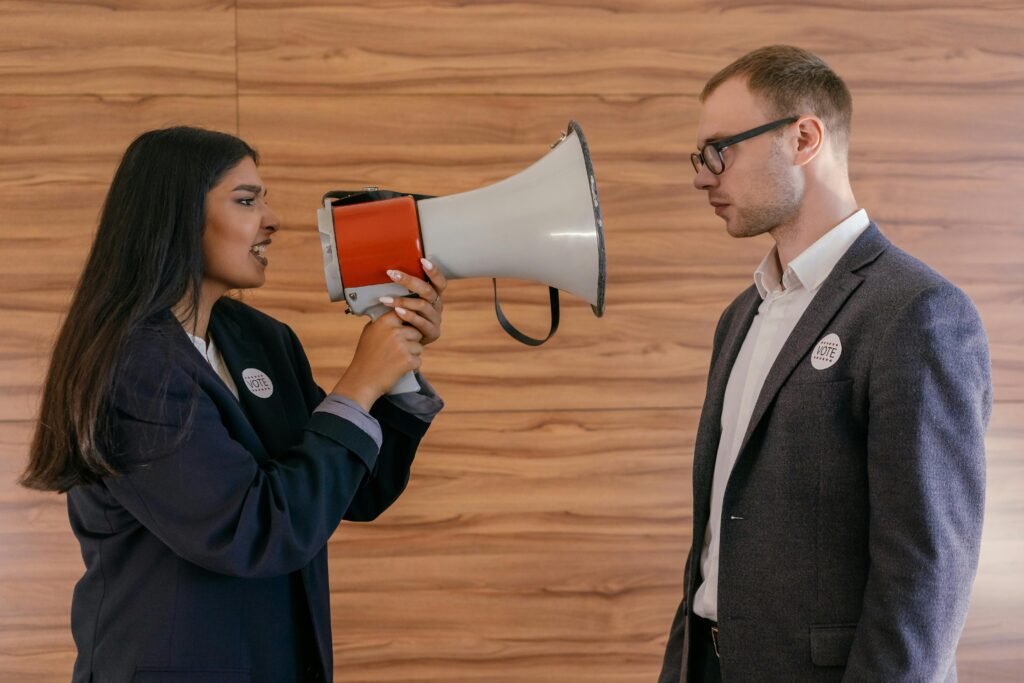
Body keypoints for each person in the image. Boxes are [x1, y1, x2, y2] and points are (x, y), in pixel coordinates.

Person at [20, 126, 447, 682]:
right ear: (175, 216)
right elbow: (253, 531)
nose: (273, 219)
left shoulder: (263, 340)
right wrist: (358, 385)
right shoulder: (132, 367)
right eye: (247, 201)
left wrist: (395, 370)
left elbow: (354, 490)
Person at [658, 46, 991, 682]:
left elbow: (928, 575)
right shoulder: (741, 315)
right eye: (700, 158)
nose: (704, 177)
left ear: (804, 138)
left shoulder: (919, 312)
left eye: (719, 150)